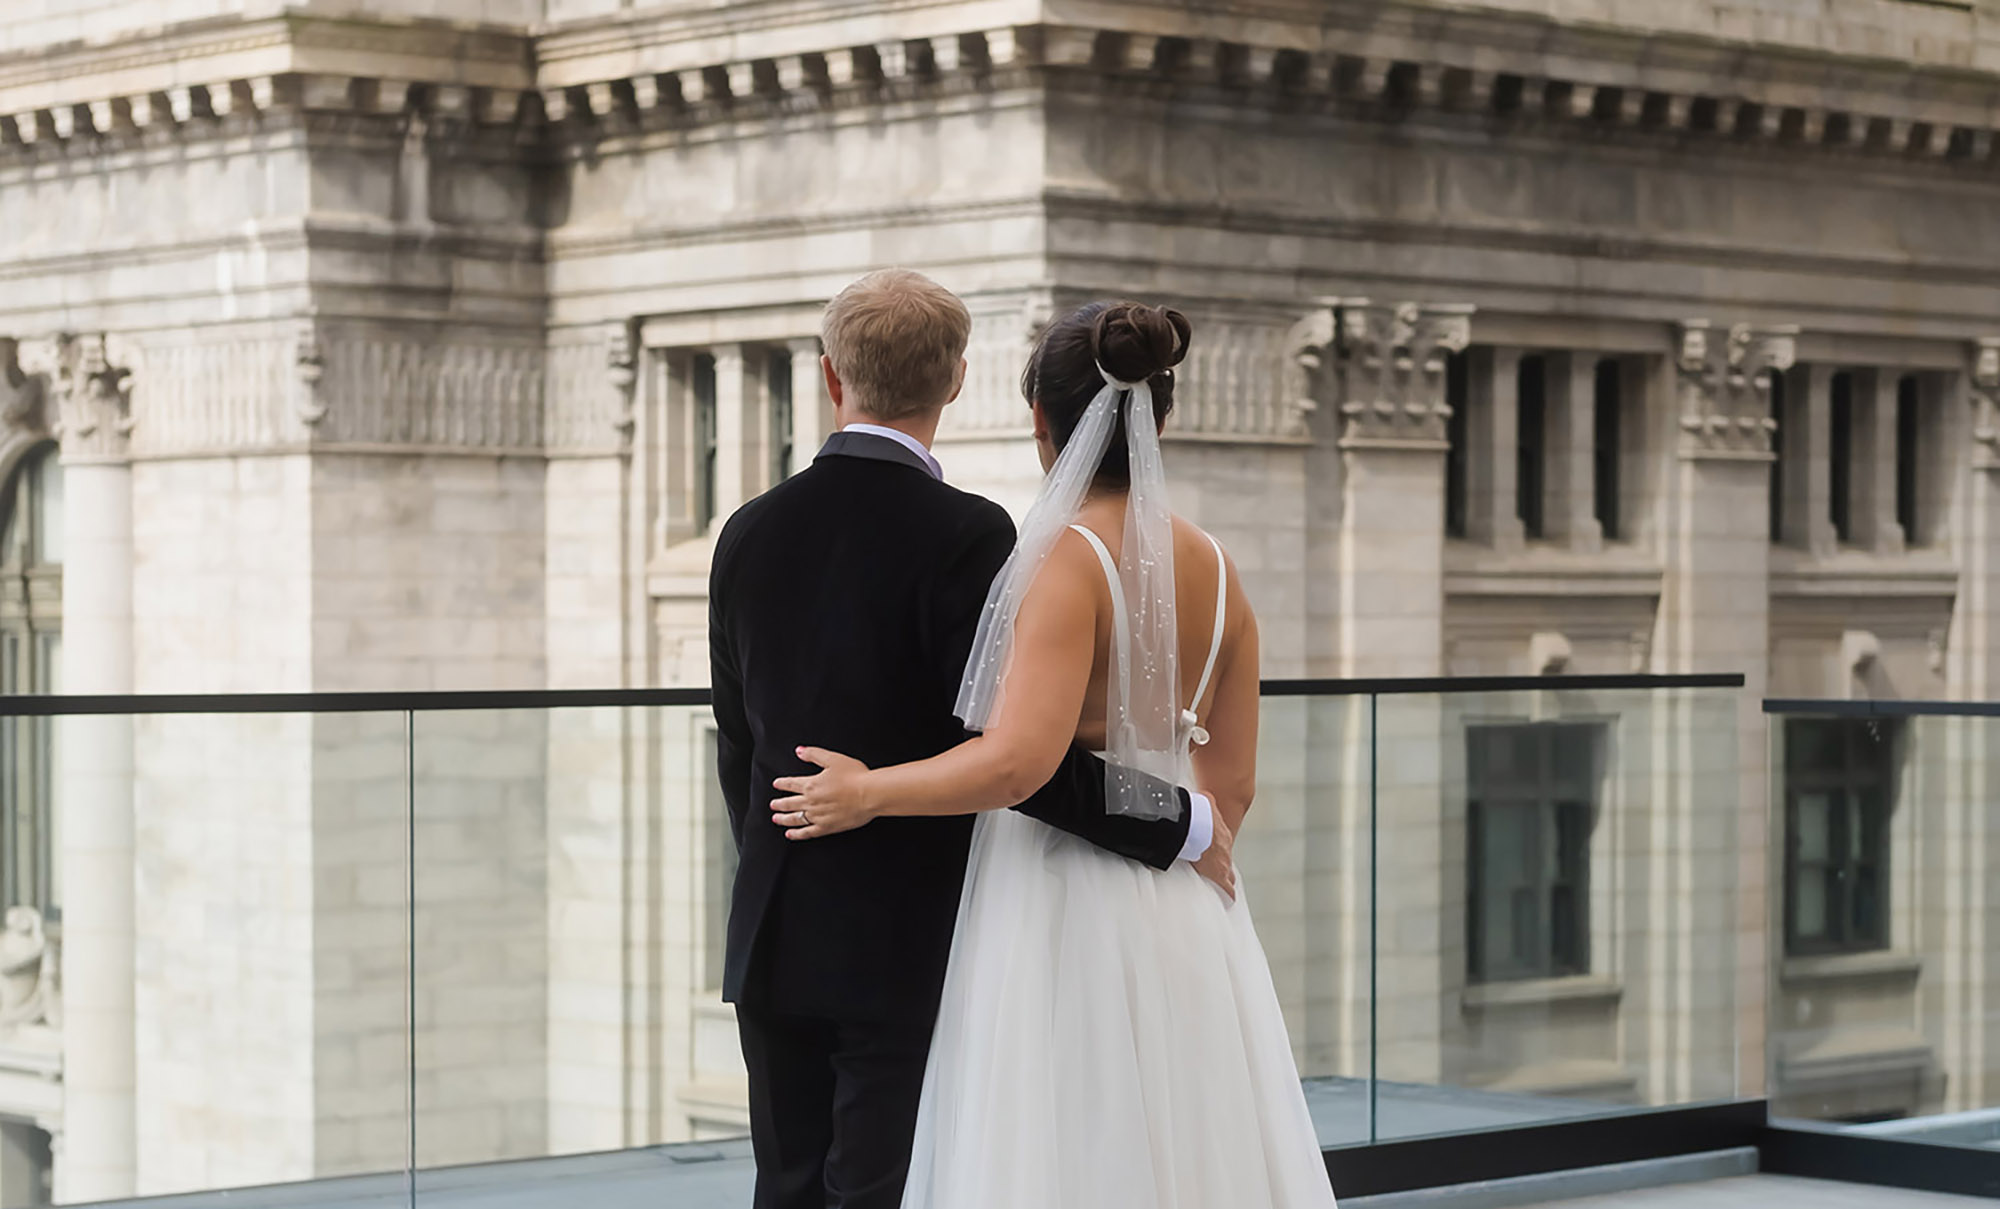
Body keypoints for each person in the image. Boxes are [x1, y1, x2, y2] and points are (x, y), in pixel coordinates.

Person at [770, 300, 1339, 1208]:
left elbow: (1018, 764)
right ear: (1165, 416)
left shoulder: (1064, 561)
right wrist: (1188, 844)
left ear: (1041, 421)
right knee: (1186, 1152)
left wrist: (868, 791)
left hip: (1058, 898)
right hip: (1193, 910)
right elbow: (1231, 784)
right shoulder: (1220, 567)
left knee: (1060, 1152)